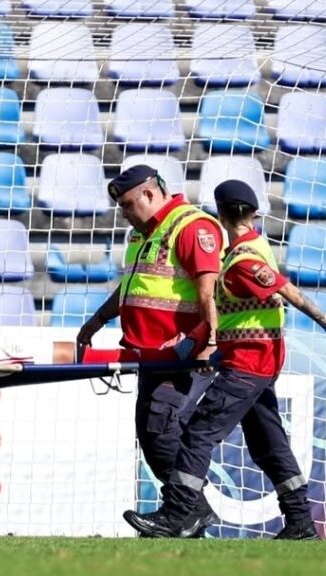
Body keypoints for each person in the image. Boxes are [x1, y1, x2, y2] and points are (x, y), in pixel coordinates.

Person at [123, 180, 326, 540]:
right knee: (269, 443)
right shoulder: (256, 245)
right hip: (252, 360)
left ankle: (176, 515)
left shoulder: (241, 259)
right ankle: (300, 522)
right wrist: (199, 344)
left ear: (219, 213)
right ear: (254, 212)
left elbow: (285, 290)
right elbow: (241, 310)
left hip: (249, 363)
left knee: (199, 434)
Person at [76, 164, 223, 537]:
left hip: (183, 354)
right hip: (150, 354)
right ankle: (190, 517)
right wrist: (96, 321)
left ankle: (186, 513)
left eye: (128, 204)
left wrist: (205, 341)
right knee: (151, 431)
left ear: (149, 193)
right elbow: (130, 290)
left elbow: (212, 293)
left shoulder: (191, 227)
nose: (124, 213)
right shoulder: (141, 235)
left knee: (160, 429)